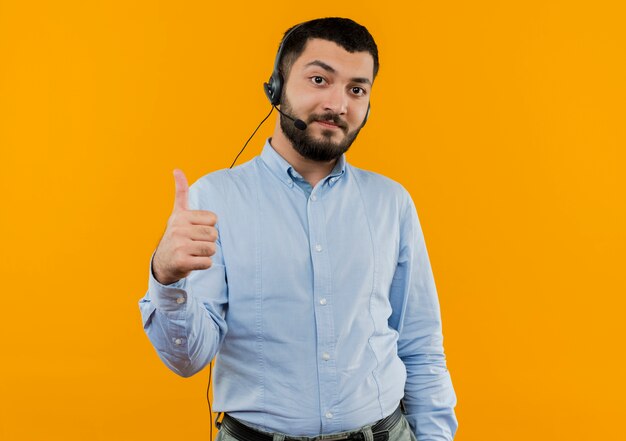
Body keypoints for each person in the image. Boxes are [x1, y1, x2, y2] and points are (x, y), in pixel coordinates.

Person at [139, 17, 458, 441]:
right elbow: (188, 359)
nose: (338, 103)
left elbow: (421, 347)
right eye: (319, 79)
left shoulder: (390, 202)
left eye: (356, 89)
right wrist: (166, 277)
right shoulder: (214, 199)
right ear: (277, 86)